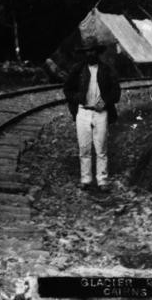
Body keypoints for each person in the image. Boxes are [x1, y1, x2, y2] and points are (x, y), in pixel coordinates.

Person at [63, 38, 121, 193]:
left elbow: (116, 92)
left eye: (93, 50)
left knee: (101, 148)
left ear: (98, 52)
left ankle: (102, 180)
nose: (90, 53)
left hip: (101, 113)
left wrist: (106, 101)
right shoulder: (77, 70)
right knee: (84, 148)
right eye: (87, 51)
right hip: (83, 111)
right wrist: (78, 100)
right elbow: (67, 90)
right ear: (84, 53)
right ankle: (86, 179)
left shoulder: (106, 70)